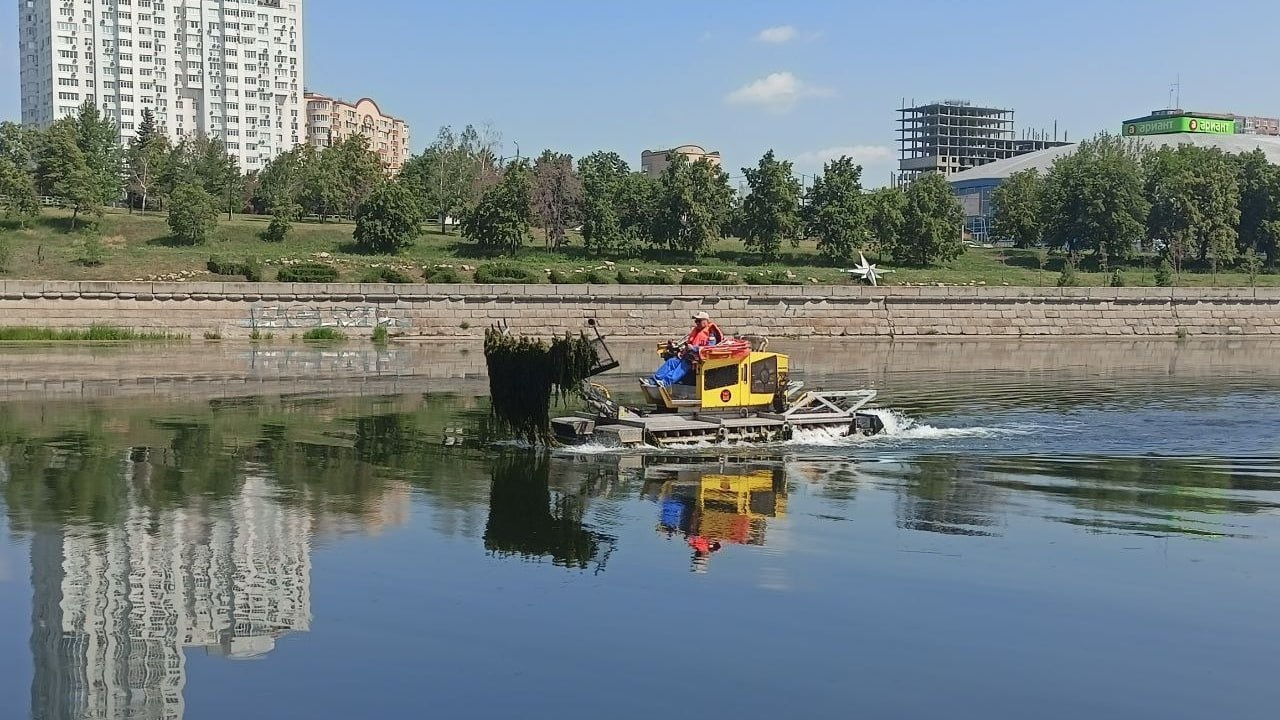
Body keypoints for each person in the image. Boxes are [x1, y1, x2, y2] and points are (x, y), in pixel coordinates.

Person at [649, 312, 724, 387]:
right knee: (671, 361)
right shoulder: (697, 331)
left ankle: (665, 382)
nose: (697, 323)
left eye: (699, 321)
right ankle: (653, 381)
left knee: (684, 365)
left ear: (706, 321)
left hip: (699, 359)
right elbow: (689, 344)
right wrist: (682, 352)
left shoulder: (711, 333)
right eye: (696, 321)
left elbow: (709, 348)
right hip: (689, 355)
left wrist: (694, 348)